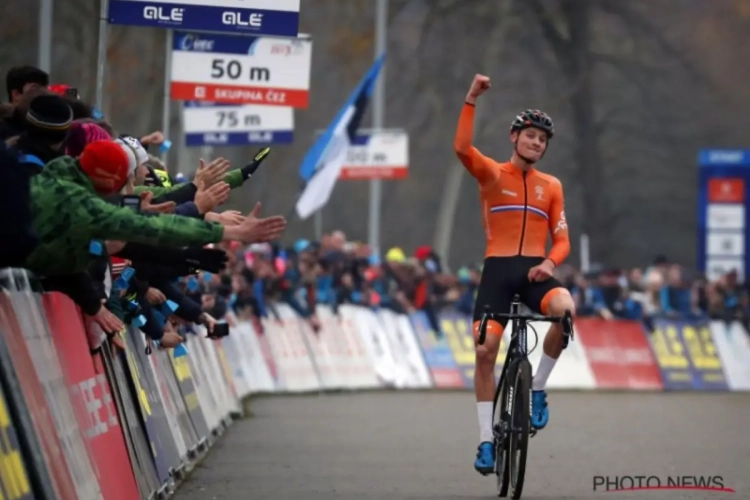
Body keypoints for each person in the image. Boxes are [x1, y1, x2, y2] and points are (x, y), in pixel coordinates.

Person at [453, 74, 576, 475]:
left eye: (543, 140)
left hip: (534, 274)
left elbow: (562, 240)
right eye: (530, 136)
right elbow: (461, 147)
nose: (536, 143)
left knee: (565, 309)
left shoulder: (551, 185)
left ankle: (537, 389)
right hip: (497, 272)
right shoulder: (492, 174)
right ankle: (487, 442)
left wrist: (550, 264)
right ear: (514, 137)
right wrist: (471, 98)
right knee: (486, 351)